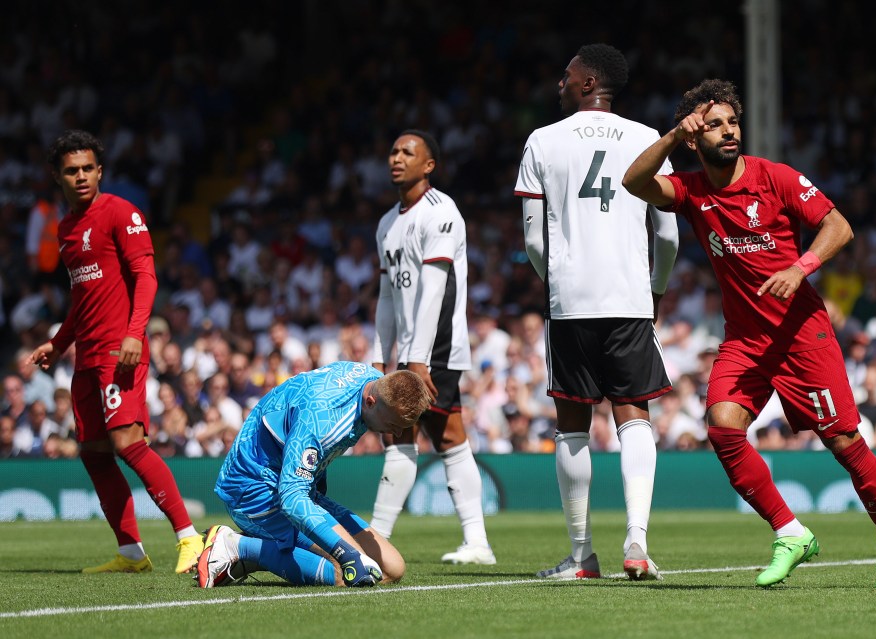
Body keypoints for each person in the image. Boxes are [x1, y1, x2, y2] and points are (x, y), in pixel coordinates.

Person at [621, 79, 876, 589]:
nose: (730, 131)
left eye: (733, 122)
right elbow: (634, 181)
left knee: (843, 441)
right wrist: (671, 137)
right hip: (745, 339)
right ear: (693, 136)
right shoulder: (691, 189)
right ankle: (791, 532)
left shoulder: (773, 177)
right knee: (722, 425)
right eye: (715, 125)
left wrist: (800, 269)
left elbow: (839, 226)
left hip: (802, 334)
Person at [514, 44, 679, 580]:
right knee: (634, 419)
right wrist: (654, 289)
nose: (559, 84)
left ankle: (582, 555)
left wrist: (556, 280)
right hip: (630, 299)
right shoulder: (647, 138)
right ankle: (637, 541)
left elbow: (534, 241)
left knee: (571, 427)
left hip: (570, 302)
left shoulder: (542, 140)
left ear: (589, 83)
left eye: (567, 76)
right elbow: (669, 233)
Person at [29, 130, 203, 574]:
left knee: (128, 442)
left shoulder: (121, 213)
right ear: (57, 176)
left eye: (88, 168)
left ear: (100, 171)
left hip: (119, 350)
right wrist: (59, 342)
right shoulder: (66, 228)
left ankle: (190, 538)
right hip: (85, 355)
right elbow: (81, 298)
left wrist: (134, 332)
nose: (81, 176)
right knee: (92, 451)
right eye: (72, 170)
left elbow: (147, 277)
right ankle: (131, 553)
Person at [369, 129, 496, 565]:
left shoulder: (442, 213)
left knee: (398, 434)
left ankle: (376, 539)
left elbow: (435, 289)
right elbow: (388, 296)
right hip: (409, 349)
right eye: (393, 150)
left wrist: (417, 358)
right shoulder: (387, 223)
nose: (396, 158)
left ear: (429, 166)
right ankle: (477, 542)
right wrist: (376, 354)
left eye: (408, 152)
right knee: (450, 438)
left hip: (436, 345)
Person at [196, 362, 432, 588]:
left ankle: (266, 548)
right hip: (253, 490)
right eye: (394, 422)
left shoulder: (370, 380)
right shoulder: (324, 419)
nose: (398, 432)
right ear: (370, 402)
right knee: (346, 574)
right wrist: (346, 553)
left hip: (294, 484)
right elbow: (291, 498)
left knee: (392, 569)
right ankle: (236, 546)